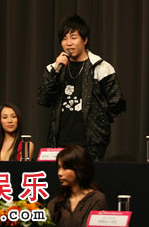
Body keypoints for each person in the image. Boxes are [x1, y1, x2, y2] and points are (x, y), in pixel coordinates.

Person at [37, 14, 126, 161]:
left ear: (85, 40)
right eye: (64, 38)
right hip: (59, 142)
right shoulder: (54, 68)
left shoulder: (101, 68)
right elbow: (43, 99)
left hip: (90, 144)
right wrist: (55, 73)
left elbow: (117, 104)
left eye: (73, 37)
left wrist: (99, 124)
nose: (68, 43)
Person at [48, 145, 107, 227]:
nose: (59, 173)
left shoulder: (96, 199)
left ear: (79, 168)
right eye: (59, 167)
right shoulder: (55, 203)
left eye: (65, 168)